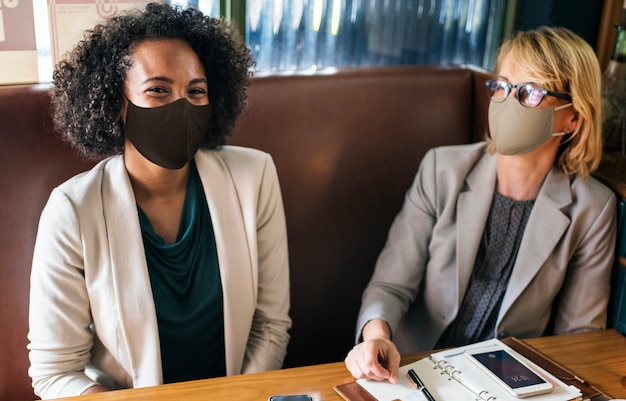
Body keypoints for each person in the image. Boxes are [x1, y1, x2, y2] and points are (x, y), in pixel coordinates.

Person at [27, 3, 291, 399]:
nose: (181, 106)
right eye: (158, 90)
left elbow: (270, 326)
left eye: (195, 91)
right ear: (116, 103)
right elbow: (55, 372)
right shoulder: (71, 211)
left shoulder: (255, 177)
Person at [344, 26, 617, 384]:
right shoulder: (443, 169)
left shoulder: (593, 208)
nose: (506, 103)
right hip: (411, 371)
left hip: (509, 384)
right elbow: (390, 286)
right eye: (502, 86)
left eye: (530, 92)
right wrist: (376, 336)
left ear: (574, 118)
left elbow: (579, 337)